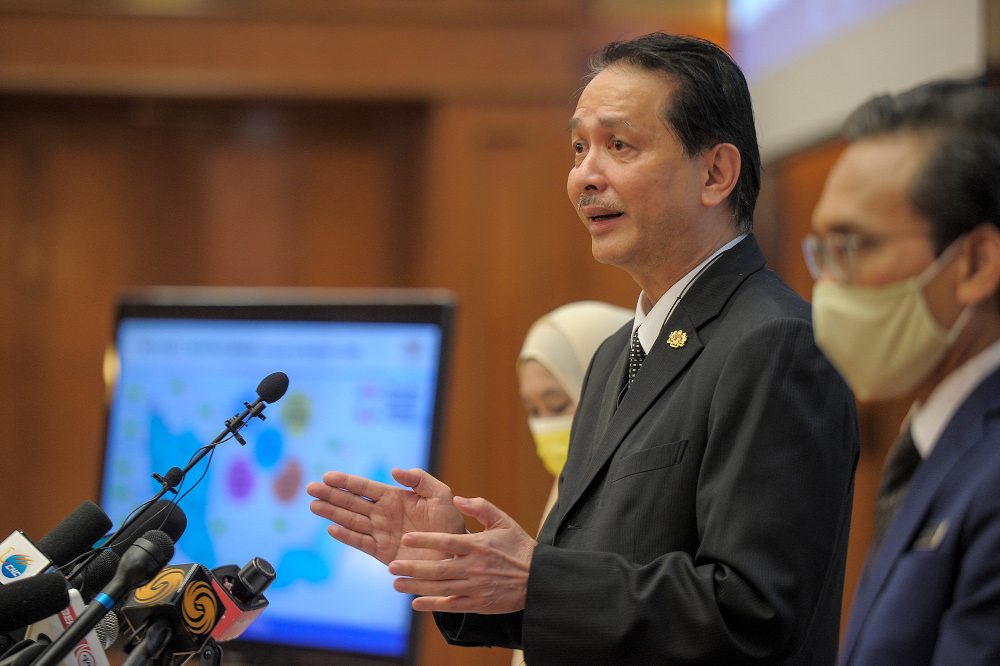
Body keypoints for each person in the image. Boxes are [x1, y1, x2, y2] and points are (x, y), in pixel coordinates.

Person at [307, 32, 860, 663]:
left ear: (715, 173)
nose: (584, 176)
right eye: (579, 147)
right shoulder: (613, 355)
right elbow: (593, 595)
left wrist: (536, 579)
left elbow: (755, 615)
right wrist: (460, 564)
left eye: (618, 145)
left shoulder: (776, 344)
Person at [806, 79, 1000, 665]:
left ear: (974, 262)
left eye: (853, 247)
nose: (828, 288)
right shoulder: (935, 439)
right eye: (823, 253)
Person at [512, 301, 632, 666]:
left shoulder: (636, 498)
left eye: (558, 404)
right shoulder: (562, 495)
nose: (544, 425)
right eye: (533, 410)